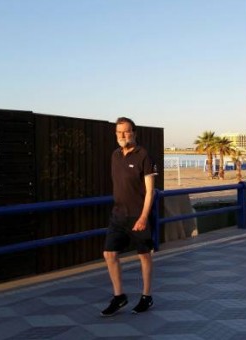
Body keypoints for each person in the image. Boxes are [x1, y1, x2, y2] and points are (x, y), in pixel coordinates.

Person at [101, 117, 157, 317]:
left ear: (134, 132)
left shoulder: (143, 156)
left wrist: (143, 217)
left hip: (137, 215)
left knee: (144, 255)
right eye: (119, 132)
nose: (122, 135)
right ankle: (119, 296)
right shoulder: (115, 155)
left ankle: (146, 296)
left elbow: (151, 192)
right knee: (109, 254)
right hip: (118, 214)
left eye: (126, 132)